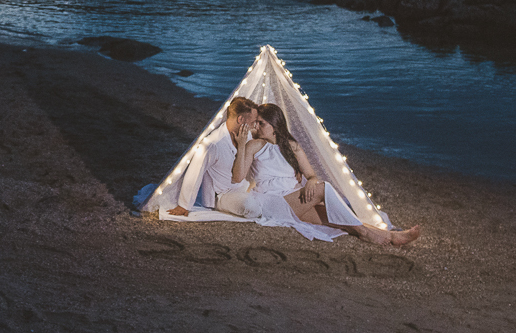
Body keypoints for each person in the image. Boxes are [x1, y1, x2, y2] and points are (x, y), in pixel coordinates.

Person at [240, 103, 421, 245]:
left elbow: (311, 175)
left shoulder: (291, 146)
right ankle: (366, 233)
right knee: (324, 188)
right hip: (270, 202)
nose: (256, 127)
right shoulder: (254, 146)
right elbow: (238, 176)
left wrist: (311, 181)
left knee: (335, 218)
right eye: (256, 123)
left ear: (274, 125)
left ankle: (391, 236)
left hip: (292, 200)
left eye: (261, 123)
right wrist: (241, 145)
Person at [166, 96, 259, 218]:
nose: (254, 126)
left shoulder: (246, 135)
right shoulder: (213, 143)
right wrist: (184, 205)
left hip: (243, 187)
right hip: (222, 195)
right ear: (240, 119)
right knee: (251, 208)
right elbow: (195, 171)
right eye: (252, 122)